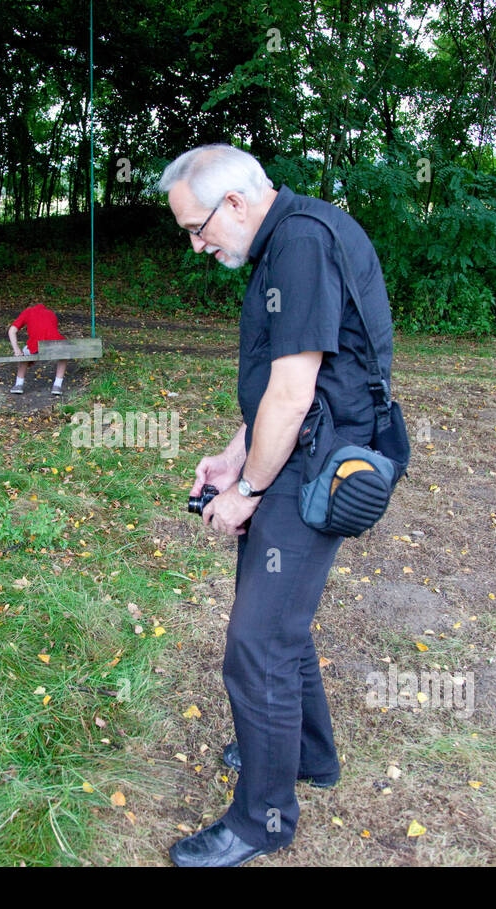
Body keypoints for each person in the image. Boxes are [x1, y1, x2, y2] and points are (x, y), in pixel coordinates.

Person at [158, 144, 396, 866]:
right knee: (279, 618)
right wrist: (235, 454)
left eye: (197, 228)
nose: (198, 246)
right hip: (298, 449)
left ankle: (262, 821)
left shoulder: (298, 245)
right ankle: (309, 755)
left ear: (233, 203)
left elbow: (295, 396)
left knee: (256, 643)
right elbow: (287, 379)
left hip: (317, 466)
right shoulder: (289, 235)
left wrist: (247, 492)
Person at [8, 303, 68, 395]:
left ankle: (18, 385)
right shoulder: (51, 313)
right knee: (64, 354)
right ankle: (57, 385)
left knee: (23, 352)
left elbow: (12, 331)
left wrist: (16, 350)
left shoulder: (28, 312)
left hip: (36, 346)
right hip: (55, 345)